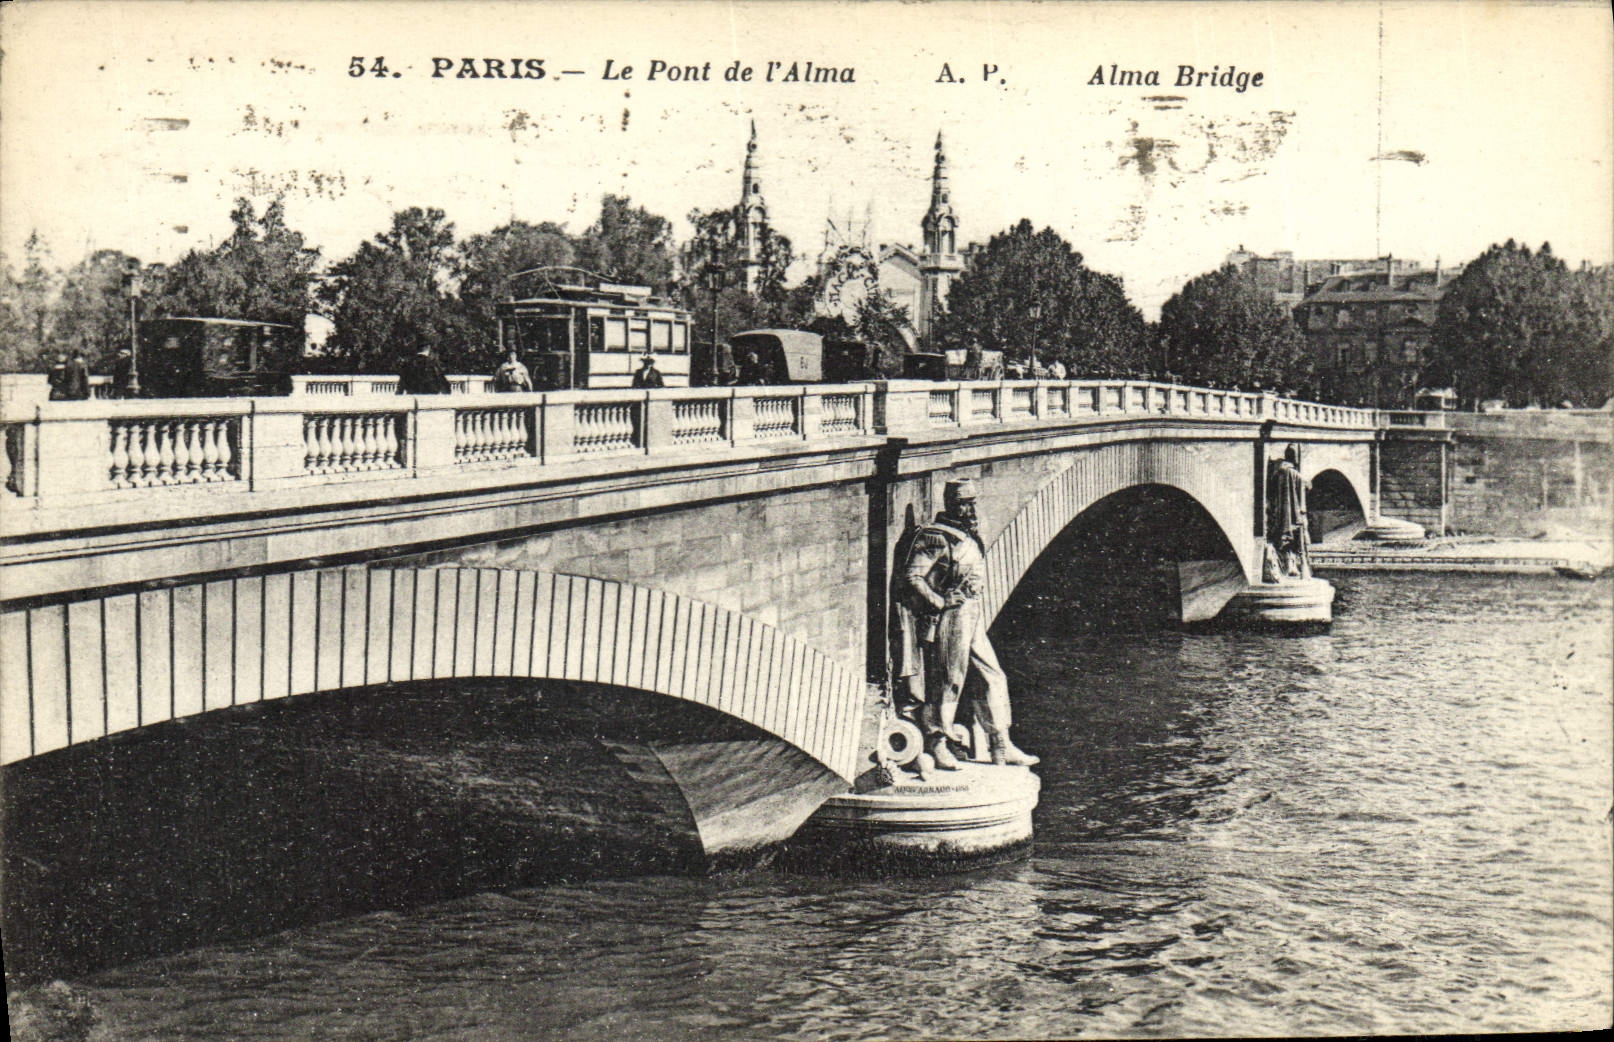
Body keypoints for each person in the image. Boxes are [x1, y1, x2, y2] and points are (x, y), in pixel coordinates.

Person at [895, 478, 1039, 769]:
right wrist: (941, 602)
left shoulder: (967, 535)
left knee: (992, 675)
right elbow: (913, 577)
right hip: (952, 616)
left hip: (973, 614)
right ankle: (938, 742)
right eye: (964, 502)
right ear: (951, 504)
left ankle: (1001, 743)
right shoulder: (936, 537)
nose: (971, 508)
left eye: (972, 501)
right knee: (949, 680)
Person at [1264, 443, 1312, 582]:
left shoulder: (1277, 472)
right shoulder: (1296, 474)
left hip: (1279, 514)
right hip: (1296, 515)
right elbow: (1308, 485)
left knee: (1280, 539)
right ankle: (1300, 569)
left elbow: (1270, 491)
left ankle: (1284, 567)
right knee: (1300, 542)